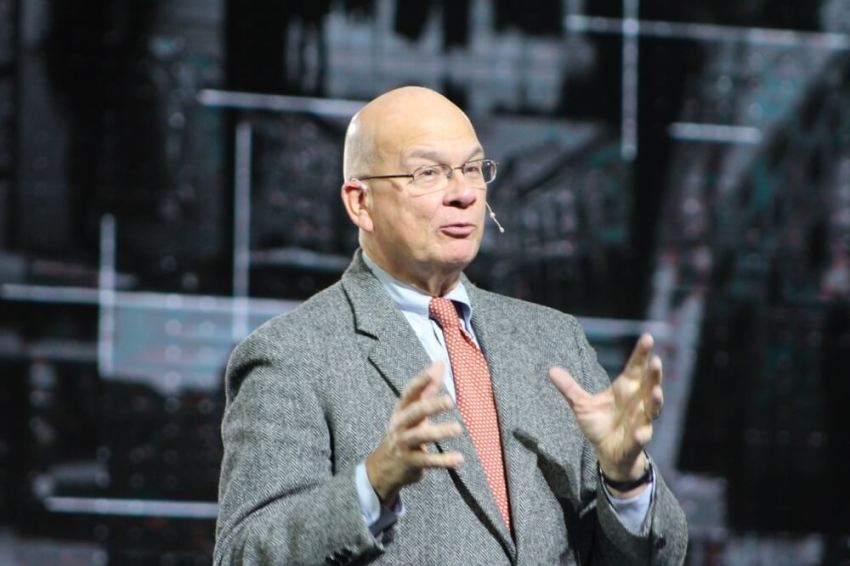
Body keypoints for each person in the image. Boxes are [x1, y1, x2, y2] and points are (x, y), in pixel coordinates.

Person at [214, 86, 688, 565]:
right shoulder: (291, 356)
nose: (464, 194)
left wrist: (625, 479)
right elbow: (244, 554)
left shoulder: (556, 340)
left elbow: (651, 557)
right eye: (428, 173)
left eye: (473, 169)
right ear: (360, 203)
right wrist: (371, 484)